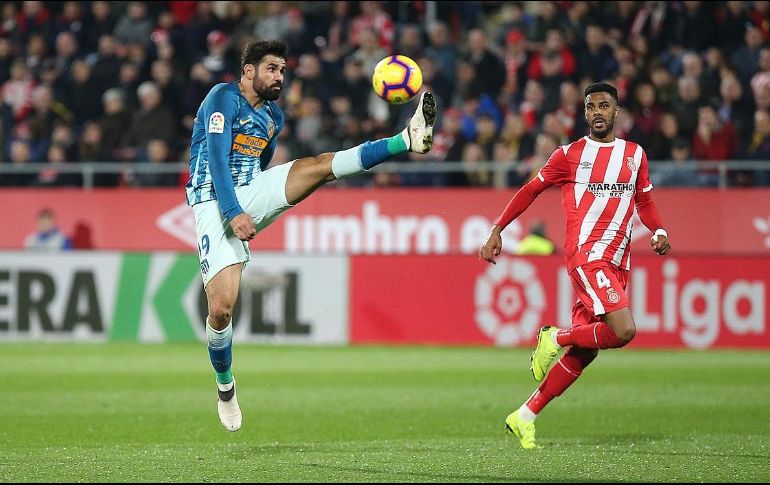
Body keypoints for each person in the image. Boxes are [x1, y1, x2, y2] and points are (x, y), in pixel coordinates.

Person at [187, 39, 437, 432]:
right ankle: (225, 385)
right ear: (248, 70)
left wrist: (254, 204)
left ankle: (405, 139)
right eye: (272, 68)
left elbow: (262, 161)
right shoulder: (222, 97)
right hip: (212, 200)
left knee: (319, 166)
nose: (279, 77)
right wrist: (234, 213)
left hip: (250, 189)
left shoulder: (274, 117)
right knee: (221, 309)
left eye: (283, 70)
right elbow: (218, 157)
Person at [479, 82, 671, 449]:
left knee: (588, 349)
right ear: (584, 113)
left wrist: (659, 229)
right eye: (590, 106)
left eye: (604, 105)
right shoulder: (569, 155)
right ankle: (554, 336)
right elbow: (530, 190)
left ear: (616, 112)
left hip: (618, 261)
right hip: (587, 255)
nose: (597, 111)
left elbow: (645, 201)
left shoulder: (635, 155)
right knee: (624, 330)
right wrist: (497, 229)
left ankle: (525, 414)